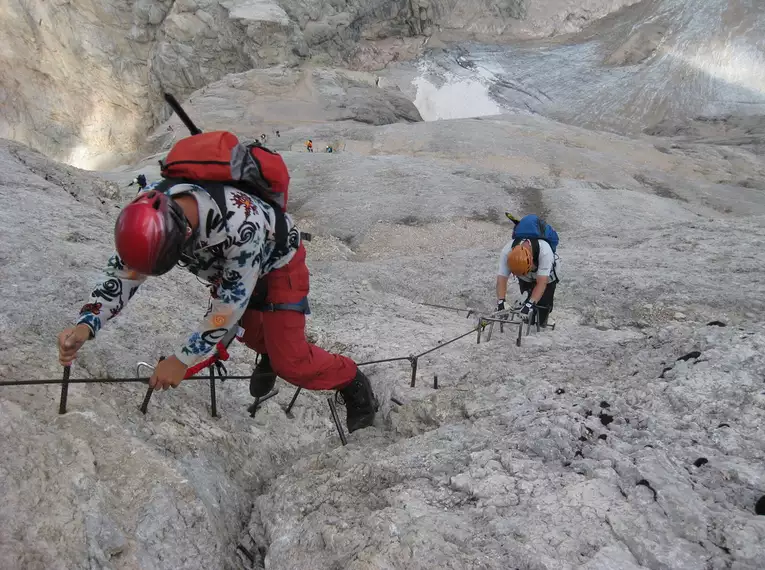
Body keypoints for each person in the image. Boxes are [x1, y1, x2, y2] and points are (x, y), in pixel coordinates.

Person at [57, 173, 378, 433]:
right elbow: (124, 275)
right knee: (250, 333)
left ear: (183, 237)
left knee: (292, 363)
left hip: (279, 265)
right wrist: (87, 323)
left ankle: (352, 381)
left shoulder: (240, 225)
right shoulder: (149, 214)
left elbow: (227, 307)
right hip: (230, 270)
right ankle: (268, 350)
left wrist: (182, 359)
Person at [495, 215, 559, 327]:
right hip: (524, 273)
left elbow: (542, 282)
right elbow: (501, 278)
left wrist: (531, 304)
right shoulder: (507, 250)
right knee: (526, 302)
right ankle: (527, 315)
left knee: (542, 306)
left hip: (547, 273)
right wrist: (501, 301)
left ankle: (542, 321)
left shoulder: (545, 251)